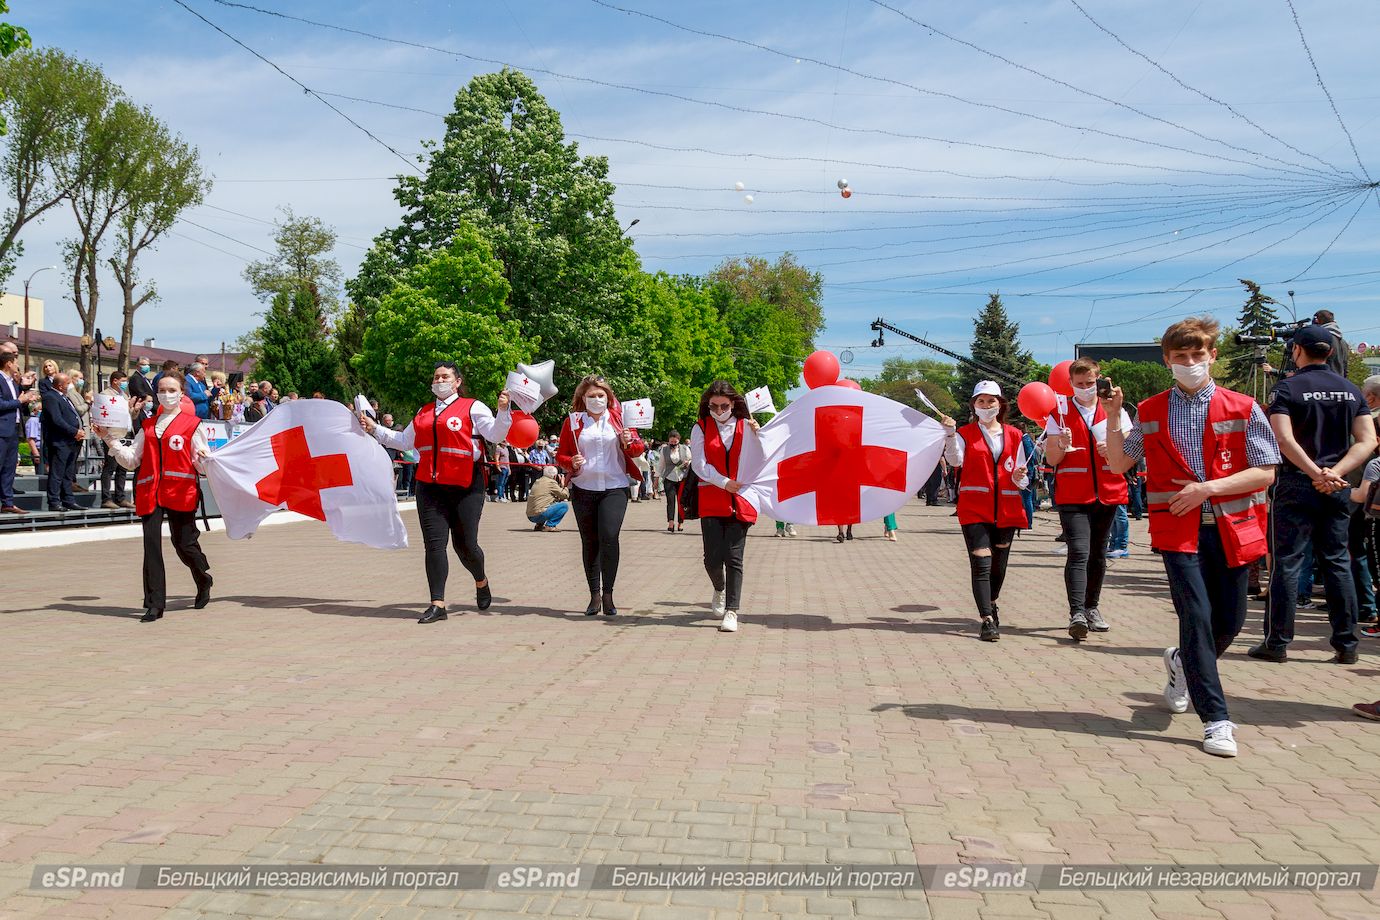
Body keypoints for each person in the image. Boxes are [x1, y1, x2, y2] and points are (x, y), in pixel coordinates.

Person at [1104, 316, 1280, 758]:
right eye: (1180, 357)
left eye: (1197, 355)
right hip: (1178, 534)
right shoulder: (1150, 411)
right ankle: (1217, 720)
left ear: (1212, 355)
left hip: (1232, 530)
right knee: (1196, 620)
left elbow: (1266, 472)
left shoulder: (1243, 407)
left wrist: (1208, 489)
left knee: (1231, 622)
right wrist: (1111, 417)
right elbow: (1119, 464)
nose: (1189, 363)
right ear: (1167, 360)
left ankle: (1182, 665)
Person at [1249, 324, 1375, 664]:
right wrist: (1335, 472)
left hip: (1296, 484)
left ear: (1296, 351)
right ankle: (1347, 645)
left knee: (1287, 563)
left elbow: (1283, 439)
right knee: (1337, 563)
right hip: (1336, 486)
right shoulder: (1351, 390)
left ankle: (1276, 643)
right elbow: (1367, 440)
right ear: (1331, 352)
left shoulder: (1286, 388)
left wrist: (1312, 471)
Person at [361, 362, 511, 623]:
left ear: (457, 382)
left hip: (466, 486)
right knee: (434, 545)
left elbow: (495, 433)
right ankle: (437, 604)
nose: (439, 380)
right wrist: (375, 430)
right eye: (436, 377)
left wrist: (503, 411)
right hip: (429, 486)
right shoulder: (424, 412)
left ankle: (481, 580)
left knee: (465, 545)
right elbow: (404, 442)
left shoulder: (473, 407)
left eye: (445, 377)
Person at [96, 370, 213, 622]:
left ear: (182, 393)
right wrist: (108, 438)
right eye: (162, 390)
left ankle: (203, 577)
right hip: (150, 492)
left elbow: (201, 464)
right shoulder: (147, 427)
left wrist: (206, 460)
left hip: (181, 492)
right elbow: (130, 460)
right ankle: (155, 603)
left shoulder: (193, 425)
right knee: (151, 547)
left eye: (172, 390)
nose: (166, 395)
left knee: (184, 544)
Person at [1043, 358, 1133, 640]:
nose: (1085, 389)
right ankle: (1077, 612)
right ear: (1070, 384)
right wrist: (1061, 444)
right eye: (1079, 385)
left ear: (1099, 380)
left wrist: (1114, 447)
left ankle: (1092, 608)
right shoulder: (1059, 413)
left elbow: (1130, 452)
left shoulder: (1115, 411)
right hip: (1073, 493)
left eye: (1090, 383)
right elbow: (1052, 459)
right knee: (1079, 551)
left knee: (1098, 553)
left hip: (1107, 491)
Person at [941, 381, 1030, 642]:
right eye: (981, 401)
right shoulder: (965, 434)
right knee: (981, 563)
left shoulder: (1014, 435)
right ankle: (987, 619)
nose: (986, 405)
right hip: (974, 508)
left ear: (999, 404)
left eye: (991, 401)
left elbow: (1022, 478)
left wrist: (1019, 476)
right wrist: (949, 435)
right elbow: (956, 460)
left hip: (1007, 508)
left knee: (998, 567)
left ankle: (992, 602)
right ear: (974, 405)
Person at [556, 374, 646, 617]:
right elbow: (561, 455)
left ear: (608, 398)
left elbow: (638, 448)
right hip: (584, 487)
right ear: (582, 399)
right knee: (590, 541)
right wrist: (570, 462)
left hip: (614, 487)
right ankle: (594, 594)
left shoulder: (620, 419)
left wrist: (628, 442)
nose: (596, 400)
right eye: (591, 396)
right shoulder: (573, 423)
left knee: (609, 536)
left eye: (600, 395)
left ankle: (609, 595)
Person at [691, 381, 761, 633]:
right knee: (712, 559)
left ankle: (732, 611)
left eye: (724, 406)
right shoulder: (700, 427)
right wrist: (723, 482)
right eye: (714, 406)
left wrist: (759, 434)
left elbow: (763, 457)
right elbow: (699, 464)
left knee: (734, 557)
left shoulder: (746, 426)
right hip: (712, 498)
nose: (719, 411)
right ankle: (719, 588)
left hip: (742, 499)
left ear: (734, 404)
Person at [0, 350, 38, 513]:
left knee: (9, 468)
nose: (17, 365)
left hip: (13, 429)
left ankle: (7, 503)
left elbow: (17, 403)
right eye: (15, 362)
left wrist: (25, 399)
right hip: (1, 429)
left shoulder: (12, 382)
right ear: (8, 363)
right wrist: (19, 400)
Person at [41, 371, 85, 512]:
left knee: (68, 473)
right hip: (59, 441)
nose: (70, 385)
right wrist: (74, 431)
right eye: (67, 383)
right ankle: (54, 501)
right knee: (57, 473)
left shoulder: (65, 397)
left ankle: (68, 500)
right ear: (60, 385)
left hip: (71, 441)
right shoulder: (50, 397)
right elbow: (57, 420)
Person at [96, 370, 134, 510]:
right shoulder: (105, 395)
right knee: (110, 466)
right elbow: (102, 414)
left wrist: (133, 409)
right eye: (123, 381)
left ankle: (120, 497)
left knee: (122, 467)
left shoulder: (124, 395)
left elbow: (129, 415)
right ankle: (106, 498)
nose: (125, 383)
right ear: (115, 381)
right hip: (111, 435)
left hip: (125, 434)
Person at [658, 429, 691, 532]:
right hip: (669, 477)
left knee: (681, 502)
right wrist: (657, 477)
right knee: (670, 501)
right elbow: (661, 464)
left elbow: (691, 460)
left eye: (675, 442)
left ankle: (680, 523)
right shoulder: (664, 450)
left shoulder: (685, 448)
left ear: (678, 440)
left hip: (682, 478)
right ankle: (671, 523)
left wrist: (687, 463)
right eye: (671, 442)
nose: (673, 444)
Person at [526, 465, 570, 531]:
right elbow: (565, 495)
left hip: (530, 515)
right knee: (564, 506)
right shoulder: (551, 482)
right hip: (539, 515)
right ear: (555, 476)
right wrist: (564, 485)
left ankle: (539, 525)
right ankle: (550, 525)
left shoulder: (538, 481)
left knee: (546, 503)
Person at [25, 404, 43, 480]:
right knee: (41, 474)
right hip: (38, 450)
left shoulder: (43, 420)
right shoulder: (33, 421)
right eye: (40, 409)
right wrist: (36, 454)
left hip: (45, 449)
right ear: (34, 410)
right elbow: (30, 439)